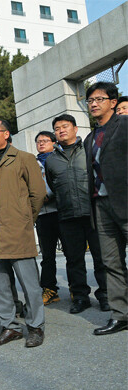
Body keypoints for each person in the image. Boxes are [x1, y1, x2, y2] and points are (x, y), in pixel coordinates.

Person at [0, 120, 46, 348]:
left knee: (29, 283)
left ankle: (35, 326)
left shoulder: (24, 159)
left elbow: (37, 195)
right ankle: (10, 327)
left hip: (17, 229)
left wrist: (25, 219)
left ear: (6, 134)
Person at [45, 115, 108, 313]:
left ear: (75, 128)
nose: (61, 130)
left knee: (101, 257)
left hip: (93, 213)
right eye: (57, 128)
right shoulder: (51, 160)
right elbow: (52, 185)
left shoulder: (89, 150)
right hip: (67, 216)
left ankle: (106, 295)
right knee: (74, 260)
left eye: (65, 126)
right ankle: (80, 297)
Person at [84, 82, 128, 335]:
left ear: (113, 102)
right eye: (90, 100)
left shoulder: (125, 125)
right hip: (101, 205)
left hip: (125, 200)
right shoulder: (91, 137)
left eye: (99, 99)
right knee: (111, 262)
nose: (94, 104)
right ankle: (120, 315)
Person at [34, 131, 63, 305]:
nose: (41, 144)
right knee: (47, 256)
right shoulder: (33, 163)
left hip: (61, 212)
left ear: (53, 142)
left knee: (72, 253)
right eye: (38, 142)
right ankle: (50, 289)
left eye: (45, 141)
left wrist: (49, 194)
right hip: (43, 214)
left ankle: (77, 289)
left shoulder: (60, 159)